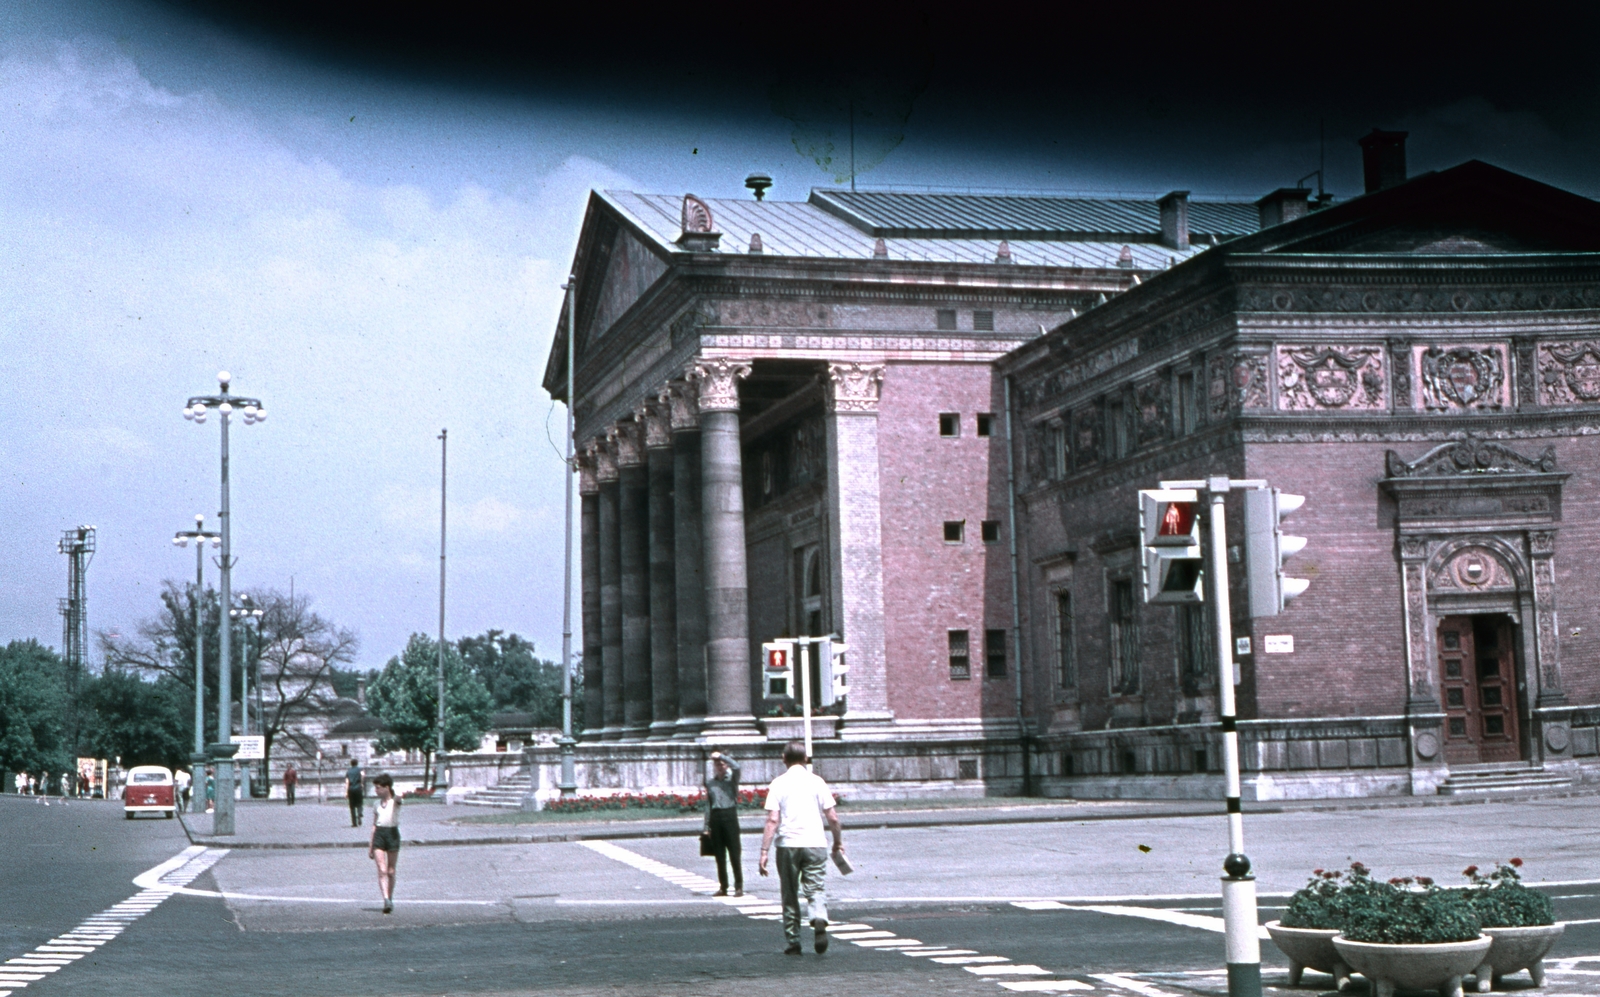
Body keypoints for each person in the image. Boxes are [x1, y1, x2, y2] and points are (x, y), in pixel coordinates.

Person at [758, 740, 844, 956]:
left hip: (788, 845)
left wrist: (764, 851)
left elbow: (772, 820)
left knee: (789, 894)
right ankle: (818, 916)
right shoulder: (817, 782)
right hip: (815, 843)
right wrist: (837, 841)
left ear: (784, 759)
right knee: (815, 887)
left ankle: (793, 942)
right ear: (805, 759)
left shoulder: (778, 783)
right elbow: (832, 817)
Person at [704, 750, 744, 897]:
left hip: (730, 815)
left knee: (734, 853)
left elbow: (737, 767)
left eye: (722, 764)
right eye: (717, 765)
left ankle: (738, 886)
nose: (720, 767)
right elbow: (708, 805)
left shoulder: (731, 780)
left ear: (726, 765)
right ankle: (723, 886)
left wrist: (721, 756)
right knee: (719, 855)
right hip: (716, 817)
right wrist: (706, 826)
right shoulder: (710, 783)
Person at [367, 772, 401, 914]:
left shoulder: (395, 802)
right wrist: (371, 844)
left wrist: (398, 796)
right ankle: (386, 900)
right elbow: (374, 825)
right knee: (382, 870)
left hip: (392, 834)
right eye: (375, 787)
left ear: (387, 787)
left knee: (391, 871)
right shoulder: (376, 804)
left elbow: (399, 799)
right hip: (380, 834)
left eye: (378, 787)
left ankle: (390, 896)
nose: (376, 790)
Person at [345, 760, 364, 827]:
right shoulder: (359, 769)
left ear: (351, 764)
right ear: (357, 763)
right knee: (359, 803)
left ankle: (354, 823)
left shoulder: (349, 771)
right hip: (358, 788)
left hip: (351, 789)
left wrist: (346, 792)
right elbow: (363, 775)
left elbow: (347, 782)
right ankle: (359, 813)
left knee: (352, 806)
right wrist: (361, 783)